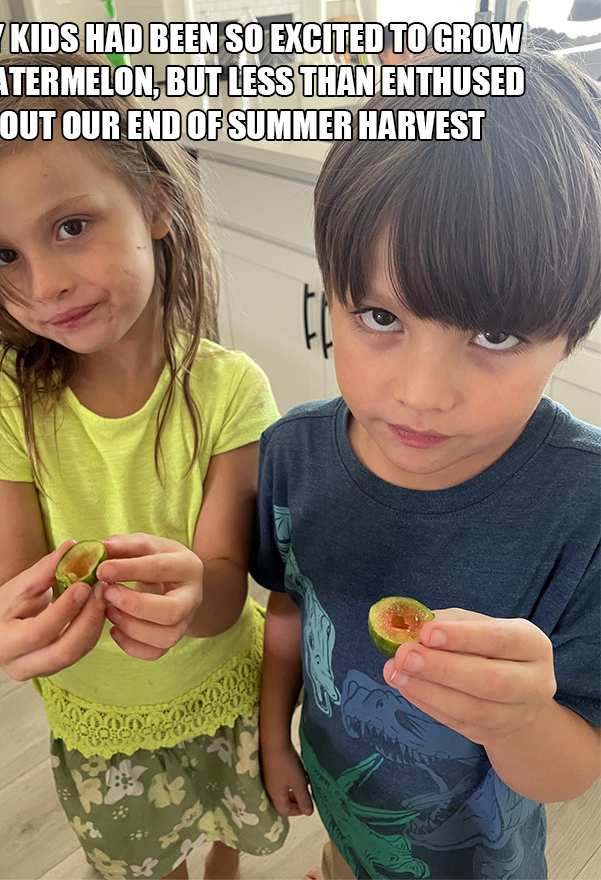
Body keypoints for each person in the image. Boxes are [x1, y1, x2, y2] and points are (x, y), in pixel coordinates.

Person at [251, 48, 601, 880]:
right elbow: (288, 610)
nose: (421, 392)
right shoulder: (291, 453)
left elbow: (572, 766)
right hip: (348, 819)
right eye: (378, 314)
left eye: (494, 336)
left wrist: (517, 719)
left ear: (572, 334)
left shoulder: (584, 509)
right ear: (327, 296)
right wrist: (274, 734)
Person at [0, 51, 288, 880]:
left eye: (70, 227)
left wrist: (197, 589)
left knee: (223, 831)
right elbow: (13, 583)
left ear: (157, 203)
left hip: (222, 686)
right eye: (3, 256)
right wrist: (11, 627)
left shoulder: (230, 388)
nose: (46, 284)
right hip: (102, 719)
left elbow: (228, 583)